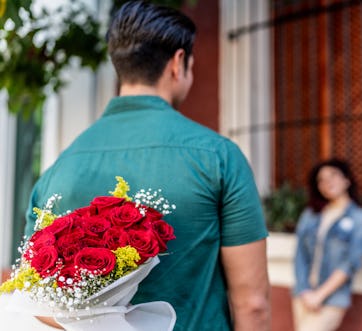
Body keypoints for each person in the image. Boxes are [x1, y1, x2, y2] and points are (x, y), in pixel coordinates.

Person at [24, 1, 271, 330]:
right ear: (178, 62)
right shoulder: (219, 156)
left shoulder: (58, 170)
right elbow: (252, 304)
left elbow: (39, 304)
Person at [292, 158, 362, 331]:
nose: (328, 182)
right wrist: (305, 291)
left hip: (332, 297)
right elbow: (300, 255)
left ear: (347, 180)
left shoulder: (360, 218)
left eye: (333, 175)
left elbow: (351, 262)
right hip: (303, 294)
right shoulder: (310, 215)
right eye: (321, 180)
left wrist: (319, 296)